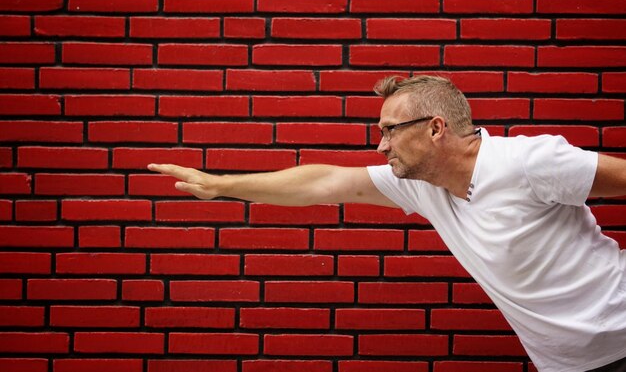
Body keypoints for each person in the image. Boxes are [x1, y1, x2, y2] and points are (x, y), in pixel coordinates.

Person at [148, 75, 626, 372]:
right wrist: (221, 185)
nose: (380, 147)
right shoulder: (422, 185)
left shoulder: (527, 161)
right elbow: (324, 182)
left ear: (435, 128)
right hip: (569, 364)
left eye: (389, 131)